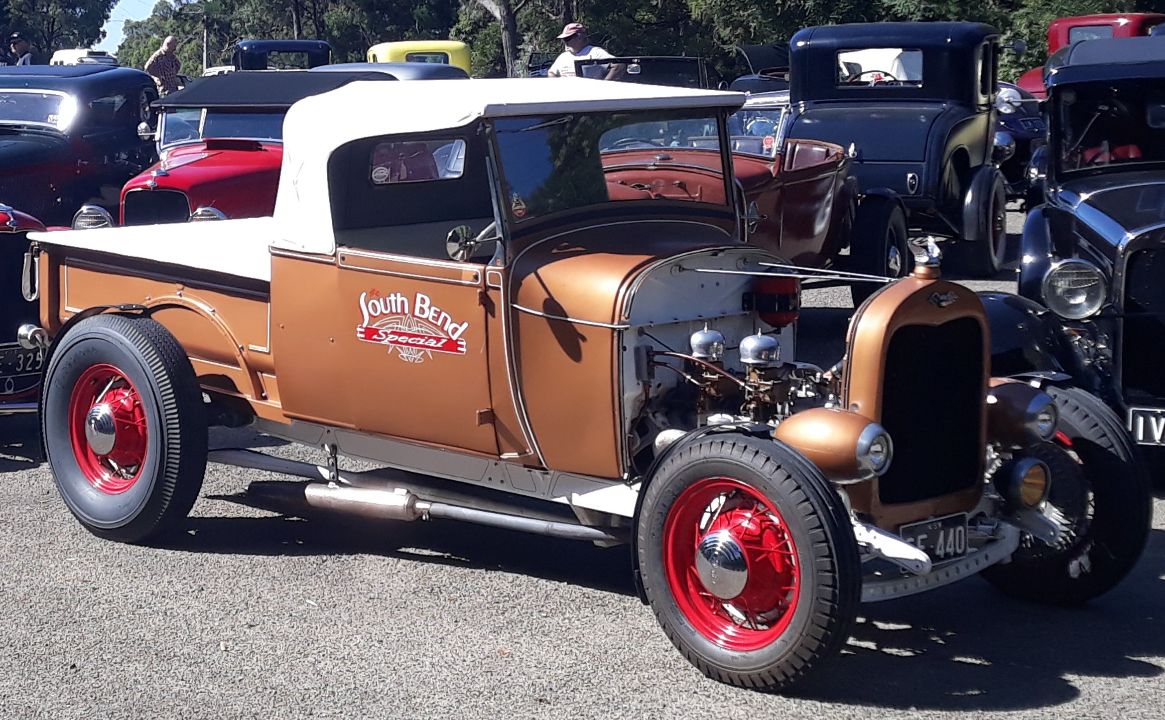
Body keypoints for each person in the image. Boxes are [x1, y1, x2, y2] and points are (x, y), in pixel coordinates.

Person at [547, 23, 616, 78]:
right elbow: (551, 72)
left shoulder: (595, 52)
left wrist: (605, 84)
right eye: (564, 39)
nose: (565, 42)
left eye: (567, 38)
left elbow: (618, 65)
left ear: (579, 37)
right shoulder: (563, 56)